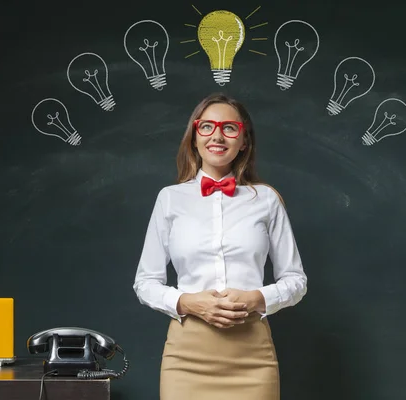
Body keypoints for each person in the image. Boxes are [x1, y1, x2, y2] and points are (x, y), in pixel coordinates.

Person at [132, 93, 308, 399]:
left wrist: (257, 298)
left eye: (229, 128)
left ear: (244, 142)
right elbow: (145, 282)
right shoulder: (170, 198)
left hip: (252, 354)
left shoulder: (266, 200)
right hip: (186, 357)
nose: (217, 135)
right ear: (194, 138)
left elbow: (296, 281)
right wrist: (187, 303)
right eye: (207, 127)